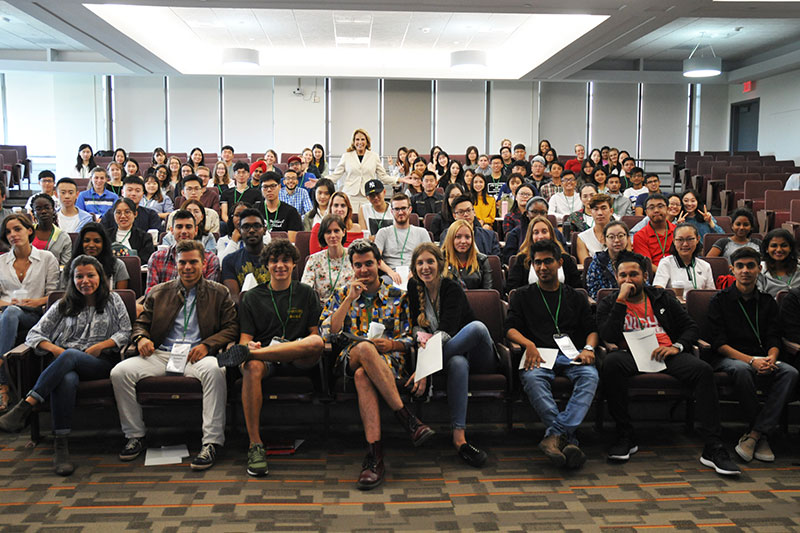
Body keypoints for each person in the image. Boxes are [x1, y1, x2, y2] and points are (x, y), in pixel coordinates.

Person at [597, 251, 740, 476]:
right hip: (632, 355)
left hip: (665, 353)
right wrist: (621, 301)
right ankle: (625, 434)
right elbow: (608, 334)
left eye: (633, 274)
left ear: (645, 275)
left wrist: (677, 346)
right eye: (622, 275)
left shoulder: (662, 298)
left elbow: (691, 327)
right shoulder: (609, 302)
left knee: (703, 370)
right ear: (616, 278)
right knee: (611, 364)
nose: (628, 280)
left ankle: (713, 446)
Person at [111, 240, 236, 470]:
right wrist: (142, 338)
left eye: (193, 262)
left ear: (204, 262)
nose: (187, 267)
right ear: (176, 264)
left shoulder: (219, 292)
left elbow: (231, 328)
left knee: (215, 370)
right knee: (120, 373)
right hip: (162, 353)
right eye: (183, 262)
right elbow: (140, 324)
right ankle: (135, 435)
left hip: (197, 354)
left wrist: (208, 345)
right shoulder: (160, 292)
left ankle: (211, 442)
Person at [319, 239, 435, 490]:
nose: (364, 270)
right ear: (352, 267)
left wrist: (392, 346)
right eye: (358, 265)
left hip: (390, 362)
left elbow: (411, 337)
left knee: (364, 375)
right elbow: (328, 332)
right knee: (363, 349)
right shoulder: (342, 294)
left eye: (369, 264)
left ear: (379, 264)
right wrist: (349, 299)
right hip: (348, 360)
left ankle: (374, 458)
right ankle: (407, 418)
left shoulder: (398, 296)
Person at [0, 255, 131, 475]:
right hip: (64, 364)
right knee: (67, 377)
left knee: (70, 358)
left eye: (91, 275)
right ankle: (61, 447)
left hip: (98, 364)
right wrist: (55, 350)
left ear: (100, 277)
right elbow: (34, 334)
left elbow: (126, 331)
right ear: (72, 279)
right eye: (79, 276)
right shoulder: (63, 304)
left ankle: (26, 405)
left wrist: (103, 345)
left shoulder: (113, 300)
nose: (85, 281)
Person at [217, 239, 324, 477]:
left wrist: (250, 350)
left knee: (317, 342)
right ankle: (255, 444)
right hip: (267, 361)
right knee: (252, 366)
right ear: (266, 265)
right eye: (274, 261)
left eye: (285, 260)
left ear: (294, 264)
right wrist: (249, 346)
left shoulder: (306, 293)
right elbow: (245, 338)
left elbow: (314, 336)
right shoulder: (253, 297)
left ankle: (256, 354)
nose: (280, 266)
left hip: (299, 358)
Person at [507, 239, 599, 468]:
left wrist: (589, 348)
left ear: (559, 263)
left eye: (548, 261)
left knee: (590, 376)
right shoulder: (522, 295)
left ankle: (554, 436)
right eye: (537, 263)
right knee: (532, 378)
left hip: (572, 354)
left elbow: (592, 330)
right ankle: (568, 439)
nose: (542, 267)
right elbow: (509, 329)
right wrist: (528, 344)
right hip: (539, 354)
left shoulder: (576, 296)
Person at [406, 243, 496, 466]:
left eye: (430, 262)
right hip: (450, 357)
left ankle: (425, 370)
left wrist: (423, 369)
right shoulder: (413, 286)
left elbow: (447, 331)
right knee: (457, 363)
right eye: (420, 263)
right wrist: (420, 337)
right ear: (414, 267)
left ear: (440, 264)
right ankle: (460, 439)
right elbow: (415, 326)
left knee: (477, 328)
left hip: (477, 353)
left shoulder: (451, 287)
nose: (425, 267)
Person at [707, 247, 798, 464]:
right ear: (732, 270)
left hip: (763, 357)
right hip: (731, 358)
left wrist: (771, 358)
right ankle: (761, 433)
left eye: (750, 266)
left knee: (790, 372)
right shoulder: (719, 301)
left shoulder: (767, 302)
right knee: (741, 370)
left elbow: (774, 337)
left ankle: (756, 434)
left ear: (759, 268)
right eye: (740, 266)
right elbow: (719, 344)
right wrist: (751, 360)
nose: (745, 271)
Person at [0, 214, 60, 411]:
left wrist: (35, 301)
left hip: (36, 314)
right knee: (10, 313)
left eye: (17, 229)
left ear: (29, 230)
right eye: (8, 232)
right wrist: (9, 303)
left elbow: (54, 295)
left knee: (12, 313)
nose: (13, 235)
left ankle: (2, 382)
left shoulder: (46, 258)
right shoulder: (1, 262)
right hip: (7, 313)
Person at [147, 209, 221, 293]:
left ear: (196, 230)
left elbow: (210, 294)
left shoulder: (210, 259)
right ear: (171, 230)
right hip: (163, 305)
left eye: (188, 227)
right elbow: (151, 294)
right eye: (179, 227)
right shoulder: (157, 258)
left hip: (199, 304)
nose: (184, 231)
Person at [506, 215, 581, 292]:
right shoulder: (522, 260)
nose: (540, 236)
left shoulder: (566, 259)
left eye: (544, 231)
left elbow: (577, 289)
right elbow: (512, 290)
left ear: (551, 234)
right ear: (531, 236)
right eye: (536, 233)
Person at [329, 129, 395, 210]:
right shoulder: (346, 156)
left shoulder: (374, 156)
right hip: (350, 195)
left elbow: (383, 176)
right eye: (357, 139)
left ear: (367, 142)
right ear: (353, 142)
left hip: (368, 196)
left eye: (362, 139)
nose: (360, 142)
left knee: (366, 221)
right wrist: (320, 181)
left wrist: (399, 180)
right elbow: (336, 175)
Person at [374, 194, 431, 283]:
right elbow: (376, 259)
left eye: (403, 208)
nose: (400, 212)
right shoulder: (383, 232)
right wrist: (390, 272)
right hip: (390, 274)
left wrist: (415, 271)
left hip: (416, 272)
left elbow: (429, 257)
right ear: (391, 211)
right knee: (384, 284)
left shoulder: (422, 232)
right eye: (396, 209)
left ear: (410, 209)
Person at [301, 214, 355, 302]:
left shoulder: (354, 256)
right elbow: (305, 289)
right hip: (321, 310)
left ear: (344, 232)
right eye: (328, 232)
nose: (333, 235)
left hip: (349, 307)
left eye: (336, 231)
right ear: (323, 235)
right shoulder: (314, 259)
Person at [221, 208, 270, 300]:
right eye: (246, 227)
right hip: (244, 309)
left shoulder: (277, 257)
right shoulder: (230, 260)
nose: (251, 230)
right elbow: (234, 297)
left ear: (264, 230)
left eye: (256, 226)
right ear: (239, 230)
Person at [64, 222, 129, 290]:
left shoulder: (117, 265)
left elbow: (121, 296)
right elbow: (64, 295)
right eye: (86, 241)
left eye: (97, 241)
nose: (91, 245)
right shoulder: (70, 266)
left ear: (104, 244)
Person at [653, 223, 715, 291]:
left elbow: (710, 294)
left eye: (690, 239)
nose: (685, 244)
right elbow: (658, 290)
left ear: (698, 239)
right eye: (680, 240)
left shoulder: (705, 266)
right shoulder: (666, 263)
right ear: (674, 241)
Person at [585, 221, 631, 299]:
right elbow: (592, 291)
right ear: (604, 240)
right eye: (611, 237)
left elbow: (645, 288)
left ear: (628, 238)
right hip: (606, 305)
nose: (616, 240)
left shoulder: (636, 261)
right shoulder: (598, 262)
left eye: (620, 236)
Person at [442, 219, 492, 290]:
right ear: (450, 238)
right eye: (458, 237)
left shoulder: (482, 260)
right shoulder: (440, 259)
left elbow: (487, 293)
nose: (463, 241)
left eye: (467, 237)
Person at [104, 198, 155, 264]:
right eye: (118, 212)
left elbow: (146, 260)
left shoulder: (144, 237)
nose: (122, 216)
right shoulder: (105, 236)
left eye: (127, 212)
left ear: (135, 214)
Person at [632, 193, 674, 267]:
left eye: (660, 206)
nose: (656, 210)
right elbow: (647, 264)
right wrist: (665, 275)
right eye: (651, 207)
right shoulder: (640, 236)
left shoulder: (678, 231)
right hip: (654, 276)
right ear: (646, 212)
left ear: (668, 209)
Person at [31, 194, 72, 267]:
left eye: (47, 208)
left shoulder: (63, 237)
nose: (43, 211)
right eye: (38, 209)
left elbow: (65, 265)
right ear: (33, 213)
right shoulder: (26, 233)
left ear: (53, 210)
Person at [257, 171, 303, 238]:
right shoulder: (255, 210)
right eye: (265, 187)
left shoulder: (291, 212)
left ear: (279, 187)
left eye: (273, 186)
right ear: (261, 189)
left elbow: (292, 242)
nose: (269, 190)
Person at [757, 228, 800, 297]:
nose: (779, 250)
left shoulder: (798, 269)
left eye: (784, 245)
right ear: (766, 249)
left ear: (790, 248)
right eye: (774, 246)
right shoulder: (760, 271)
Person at [576, 193, 614, 265]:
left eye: (603, 208)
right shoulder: (582, 238)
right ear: (591, 212)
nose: (599, 213)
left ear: (611, 211)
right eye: (596, 209)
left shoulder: (622, 235)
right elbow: (586, 266)